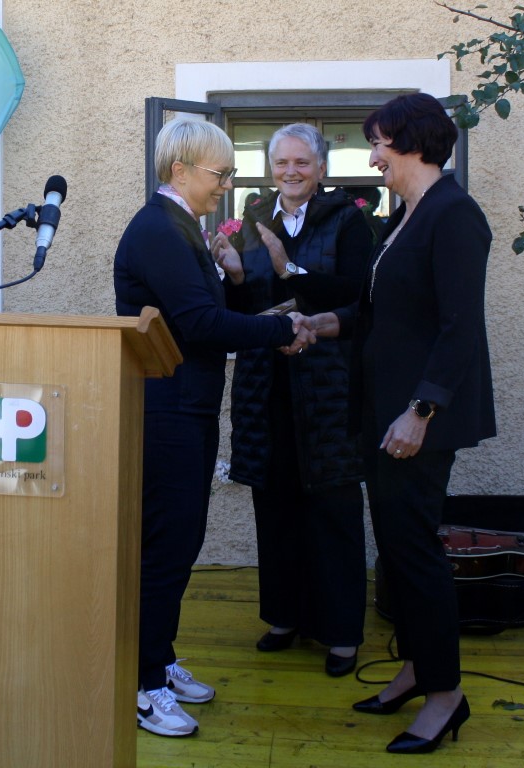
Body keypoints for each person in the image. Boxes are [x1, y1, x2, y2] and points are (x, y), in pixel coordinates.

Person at [113, 119, 314, 738]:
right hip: (166, 410)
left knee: (180, 545)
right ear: (181, 171)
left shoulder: (183, 230)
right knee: (166, 549)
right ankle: (143, 685)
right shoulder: (158, 229)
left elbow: (208, 313)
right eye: (219, 174)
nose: (225, 187)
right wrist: (283, 330)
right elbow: (200, 326)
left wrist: (232, 278)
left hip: (187, 408)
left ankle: (160, 658)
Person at [308, 92, 494, 754]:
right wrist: (321, 323)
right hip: (384, 414)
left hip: (417, 420)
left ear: (413, 141)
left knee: (414, 552)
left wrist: (421, 410)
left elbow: (458, 327)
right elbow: (382, 314)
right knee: (396, 547)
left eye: (380, 141)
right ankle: (416, 669)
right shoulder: (405, 216)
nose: (372, 154)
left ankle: (447, 694)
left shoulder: (454, 215)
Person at [212, 123, 374, 676]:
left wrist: (292, 271)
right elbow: (245, 307)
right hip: (267, 386)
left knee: (332, 510)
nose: (291, 172)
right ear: (271, 169)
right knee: (275, 505)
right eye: (282, 163)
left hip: (328, 389)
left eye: (302, 163)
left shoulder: (351, 221)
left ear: (321, 169)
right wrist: (235, 277)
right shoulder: (253, 225)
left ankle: (341, 634)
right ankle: (284, 617)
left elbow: (359, 296)